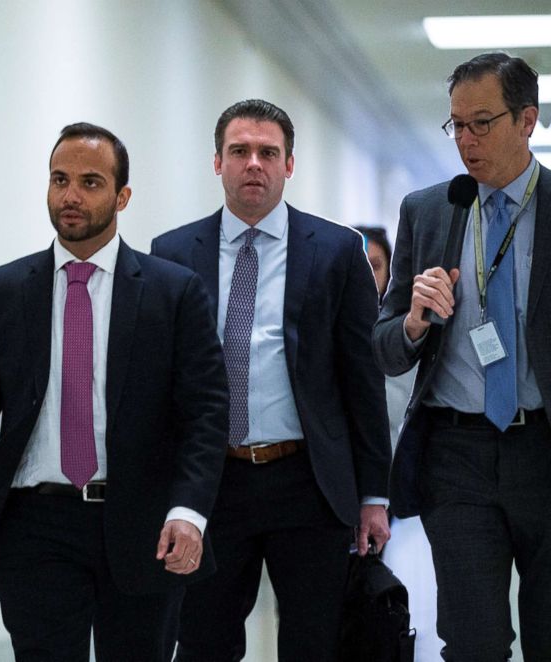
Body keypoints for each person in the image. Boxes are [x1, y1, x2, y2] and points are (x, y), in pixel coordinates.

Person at [0, 122, 228, 661]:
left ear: (123, 196)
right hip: (34, 524)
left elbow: (205, 413)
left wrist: (189, 511)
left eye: (90, 182)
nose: (70, 196)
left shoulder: (172, 291)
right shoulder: (2, 291)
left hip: (143, 522)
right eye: (59, 179)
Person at [152, 99, 392, 661]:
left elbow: (362, 380)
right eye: (239, 151)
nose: (253, 163)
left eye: (268, 152)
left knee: (313, 643)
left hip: (306, 481)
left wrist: (373, 495)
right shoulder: (172, 253)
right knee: (203, 642)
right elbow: (162, 385)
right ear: (217, 163)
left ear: (289, 165)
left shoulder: (336, 251)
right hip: (213, 482)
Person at [373, 52, 550, 661]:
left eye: (482, 123)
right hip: (458, 454)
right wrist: (416, 323)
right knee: (472, 642)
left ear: (527, 120)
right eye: (456, 126)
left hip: (543, 446)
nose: (466, 142)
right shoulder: (429, 209)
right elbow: (385, 344)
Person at [357, 226, 442, 661]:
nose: (368, 274)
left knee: (370, 570)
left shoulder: (400, 331)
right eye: (361, 265)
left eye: (375, 266)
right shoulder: (330, 318)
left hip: (386, 471)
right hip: (337, 474)